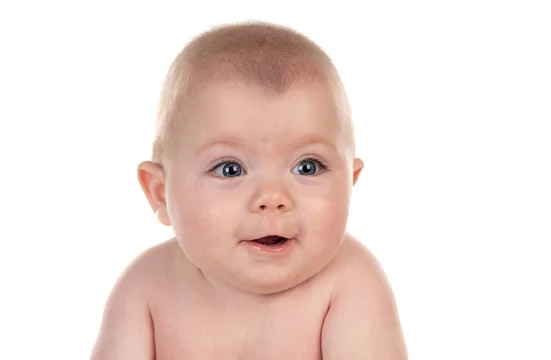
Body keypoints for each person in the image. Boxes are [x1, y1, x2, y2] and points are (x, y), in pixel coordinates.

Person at [91, 21, 408, 359]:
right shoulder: (146, 287)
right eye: (230, 169)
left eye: (308, 166)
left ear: (350, 183)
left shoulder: (350, 283)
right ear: (159, 193)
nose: (272, 199)